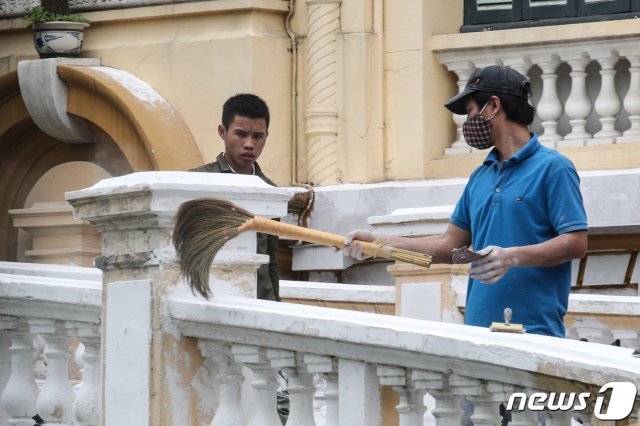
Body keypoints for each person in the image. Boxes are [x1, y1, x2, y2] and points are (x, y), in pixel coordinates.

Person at [343, 65, 588, 338]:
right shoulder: (480, 177)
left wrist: (512, 257)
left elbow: (576, 242)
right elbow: (448, 247)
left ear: (493, 105)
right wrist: (377, 244)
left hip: (535, 333)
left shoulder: (554, 168)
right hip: (478, 333)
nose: (468, 121)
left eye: (471, 111)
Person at [191, 93, 281, 301]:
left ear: (266, 135)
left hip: (260, 301)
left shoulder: (269, 191)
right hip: (211, 297)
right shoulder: (197, 182)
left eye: (258, 136)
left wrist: (276, 303)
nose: (249, 144)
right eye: (241, 134)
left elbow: (271, 259)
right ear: (223, 132)